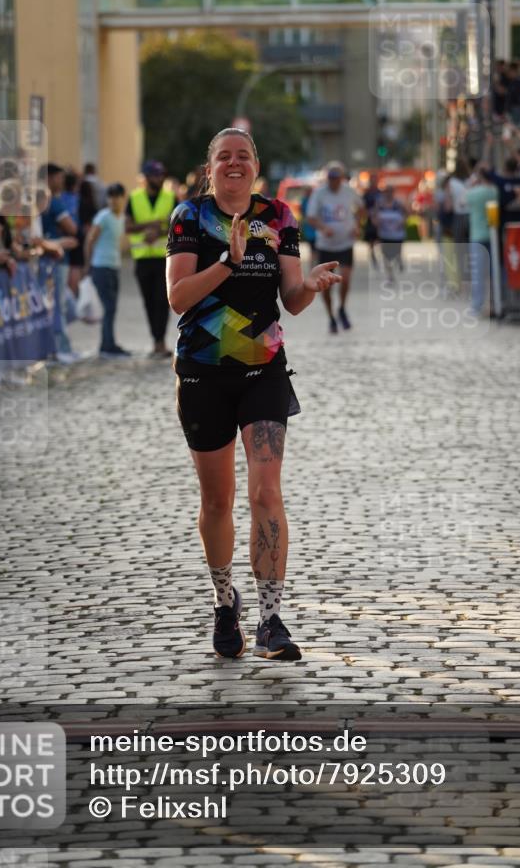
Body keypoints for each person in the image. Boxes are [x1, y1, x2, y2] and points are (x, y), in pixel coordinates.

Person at [166, 127, 343, 662]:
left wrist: (308, 287)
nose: (234, 164)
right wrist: (229, 261)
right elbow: (177, 298)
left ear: (257, 164)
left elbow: (290, 299)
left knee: (267, 492)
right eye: (224, 157)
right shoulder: (189, 218)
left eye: (243, 155)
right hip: (202, 373)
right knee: (217, 500)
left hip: (264, 370)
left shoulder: (280, 217)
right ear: (210, 166)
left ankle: (270, 618)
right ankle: (225, 602)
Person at [126, 160, 176, 357]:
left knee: (162, 300)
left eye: (161, 174)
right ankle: (155, 339)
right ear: (146, 178)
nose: (159, 178)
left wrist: (159, 232)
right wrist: (152, 225)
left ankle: (160, 342)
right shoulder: (134, 198)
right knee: (149, 301)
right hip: (142, 259)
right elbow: (128, 227)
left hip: (165, 258)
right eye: (155, 175)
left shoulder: (171, 198)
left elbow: (178, 226)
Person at [304, 162, 361, 332]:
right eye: (330, 179)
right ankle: (331, 316)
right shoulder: (319, 193)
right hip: (326, 245)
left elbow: (362, 208)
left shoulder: (348, 190)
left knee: (346, 278)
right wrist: (323, 228)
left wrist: (357, 225)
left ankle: (342, 308)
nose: (334, 182)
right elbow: (311, 217)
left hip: (345, 243)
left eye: (337, 178)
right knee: (326, 285)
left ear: (342, 178)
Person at [37, 163, 80, 361]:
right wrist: (62, 240)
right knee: (58, 306)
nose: (62, 181)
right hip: (55, 260)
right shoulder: (53, 202)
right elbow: (71, 229)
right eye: (59, 177)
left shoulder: (43, 201)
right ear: (49, 178)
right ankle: (60, 348)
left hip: (52, 258)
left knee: (59, 305)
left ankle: (59, 347)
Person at [84, 183, 131, 358]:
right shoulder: (103, 216)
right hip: (101, 266)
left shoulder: (120, 217)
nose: (112, 200)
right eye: (110, 196)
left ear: (122, 198)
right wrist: (88, 265)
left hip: (114, 266)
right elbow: (90, 240)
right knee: (109, 307)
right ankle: (107, 345)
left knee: (112, 307)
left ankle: (108, 342)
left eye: (116, 196)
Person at [465, 169, 497, 316]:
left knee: (478, 273)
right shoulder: (494, 191)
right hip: (492, 235)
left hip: (477, 236)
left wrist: (471, 184)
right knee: (494, 272)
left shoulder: (475, 193)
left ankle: (477, 305)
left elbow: (461, 201)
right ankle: (495, 303)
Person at [375, 187, 406, 284]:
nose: (388, 194)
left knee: (397, 252)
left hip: (397, 235)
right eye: (386, 192)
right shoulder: (379, 204)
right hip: (385, 234)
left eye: (390, 192)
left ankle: (399, 259)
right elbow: (374, 216)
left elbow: (406, 214)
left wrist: (401, 222)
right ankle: (390, 276)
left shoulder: (398, 204)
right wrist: (377, 223)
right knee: (386, 256)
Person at [361, 172, 382, 269]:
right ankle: (373, 257)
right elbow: (362, 207)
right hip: (370, 220)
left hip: (379, 220)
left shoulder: (380, 193)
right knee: (371, 241)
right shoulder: (367, 194)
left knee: (381, 239)